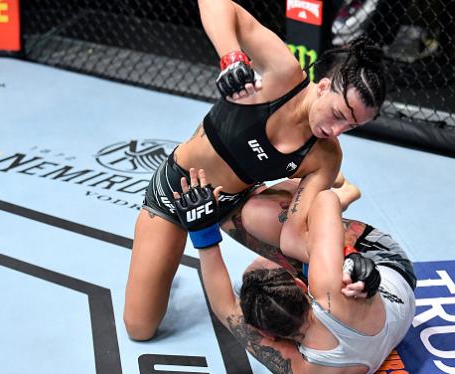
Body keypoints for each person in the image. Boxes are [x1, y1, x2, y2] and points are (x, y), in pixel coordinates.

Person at [123, 0, 388, 341]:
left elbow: (294, 234)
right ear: (323, 86)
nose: (337, 131)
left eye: (350, 126)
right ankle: (161, 262)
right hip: (179, 195)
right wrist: (231, 57)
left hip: (239, 203)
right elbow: (217, 4)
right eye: (338, 114)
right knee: (140, 328)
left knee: (300, 229)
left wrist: (344, 266)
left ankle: (341, 193)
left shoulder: (325, 156)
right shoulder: (282, 75)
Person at [172, 168, 417, 374]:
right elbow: (325, 199)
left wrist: (202, 232)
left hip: (390, 300)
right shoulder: (332, 292)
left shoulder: (305, 373)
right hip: (385, 261)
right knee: (269, 232)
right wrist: (348, 255)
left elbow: (224, 307)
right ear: (302, 286)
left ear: (266, 333)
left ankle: (330, 206)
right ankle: (319, 206)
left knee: (249, 233)